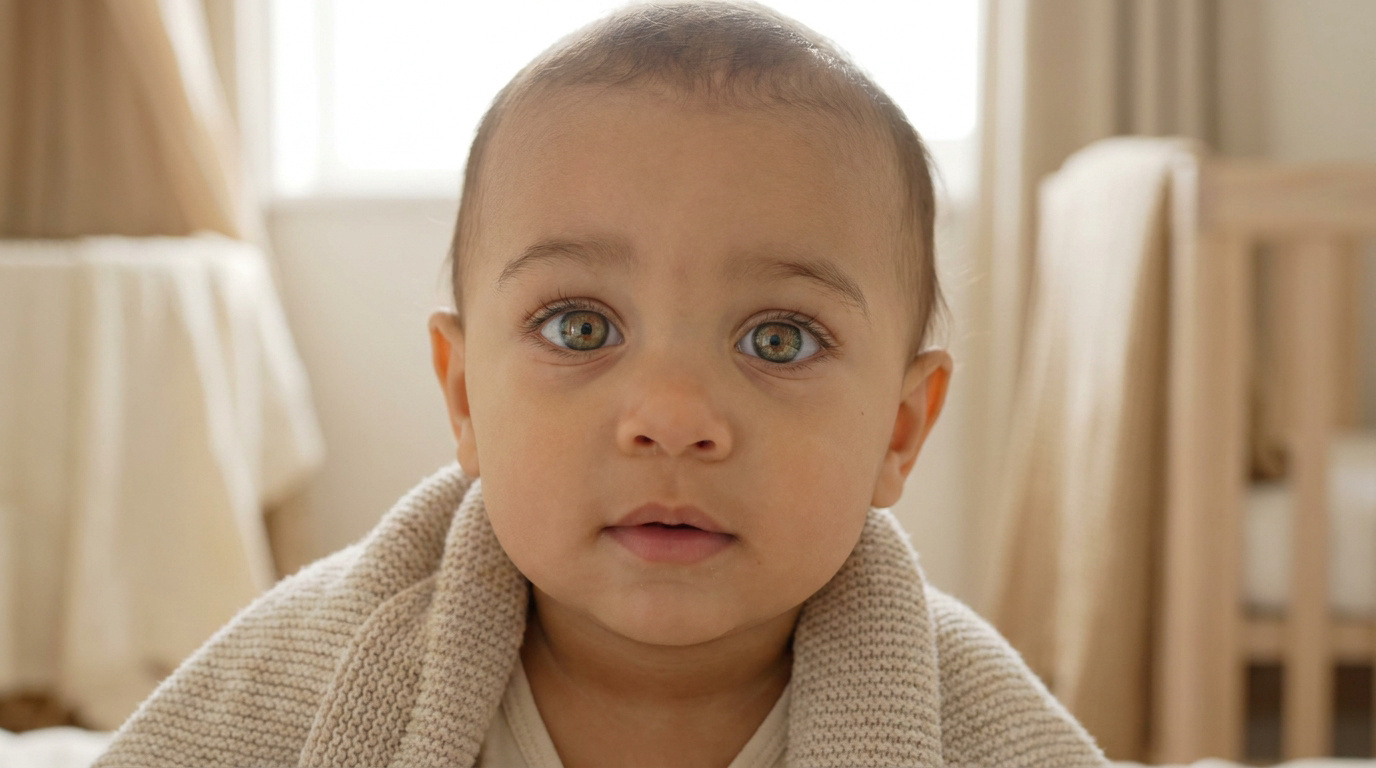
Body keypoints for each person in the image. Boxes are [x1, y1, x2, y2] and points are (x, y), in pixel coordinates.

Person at [95, 2, 1108, 766]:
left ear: (898, 430)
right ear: (463, 400)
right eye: (579, 327)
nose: (671, 418)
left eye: (779, 340)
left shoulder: (965, 716)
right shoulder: (316, 667)